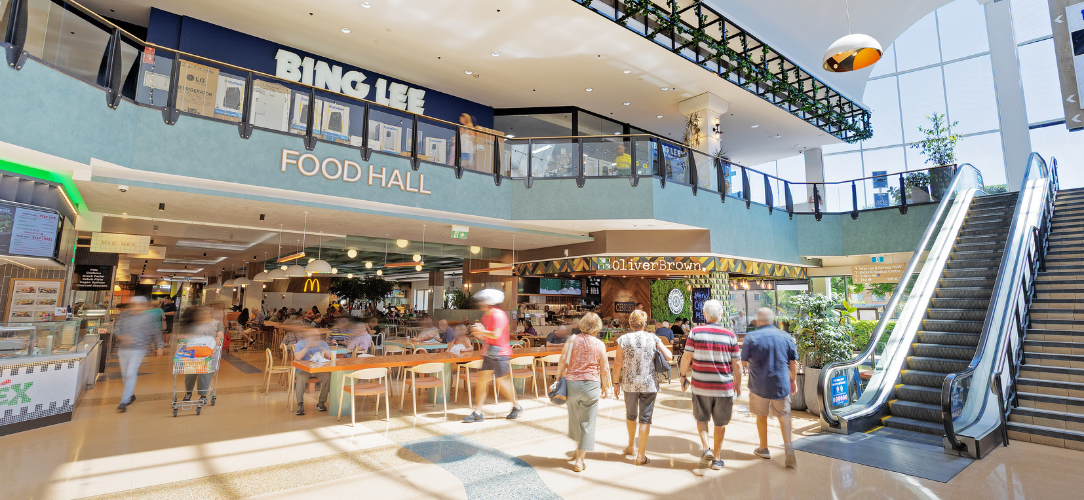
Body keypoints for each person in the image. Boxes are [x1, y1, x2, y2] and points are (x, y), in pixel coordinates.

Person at [678, 299, 742, 471]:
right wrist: (738, 384)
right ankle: (717, 459)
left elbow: (686, 357)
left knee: (702, 418)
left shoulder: (695, 332)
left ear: (704, 315)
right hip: (724, 388)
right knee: (720, 423)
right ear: (721, 315)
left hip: (700, 386)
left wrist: (683, 376)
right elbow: (737, 364)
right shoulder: (730, 335)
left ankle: (706, 448)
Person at [742, 308, 798, 469]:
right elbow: (792, 362)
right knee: (784, 415)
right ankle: (788, 446)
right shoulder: (786, 336)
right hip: (781, 383)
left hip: (758, 385)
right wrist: (793, 380)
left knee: (761, 416)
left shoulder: (751, 337)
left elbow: (744, 362)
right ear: (773, 321)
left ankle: (763, 448)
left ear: (758, 321)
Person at [614, 310, 671, 466]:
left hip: (629, 383)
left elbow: (618, 363)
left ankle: (631, 446)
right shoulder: (653, 337)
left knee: (631, 415)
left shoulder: (623, 339)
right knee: (645, 419)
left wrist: (615, 383)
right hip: (648, 383)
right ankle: (641, 455)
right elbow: (669, 356)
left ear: (630, 323)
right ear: (645, 323)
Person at [556, 312, 611, 472]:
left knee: (575, 418)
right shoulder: (599, 344)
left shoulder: (572, 340)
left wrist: (559, 377)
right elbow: (605, 368)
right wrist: (606, 387)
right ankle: (580, 460)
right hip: (592, 385)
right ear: (598, 327)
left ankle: (578, 449)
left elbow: (562, 359)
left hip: (572, 384)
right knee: (587, 422)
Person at [462, 289, 522, 423]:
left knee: (502, 381)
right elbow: (488, 335)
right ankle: (478, 412)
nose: (480, 304)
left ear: (489, 302)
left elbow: (496, 334)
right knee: (482, 380)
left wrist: (482, 331)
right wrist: (480, 334)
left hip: (500, 353)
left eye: (482, 301)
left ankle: (516, 406)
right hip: (488, 352)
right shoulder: (485, 316)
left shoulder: (498, 315)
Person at [113, 297, 163, 412]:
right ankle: (130, 394)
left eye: (139, 304)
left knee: (130, 373)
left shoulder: (149, 317)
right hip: (123, 349)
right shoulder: (124, 315)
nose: (136, 306)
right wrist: (121, 336)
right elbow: (117, 328)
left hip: (139, 348)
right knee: (125, 374)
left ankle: (124, 401)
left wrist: (159, 346)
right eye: (134, 304)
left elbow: (155, 332)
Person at [179, 307, 224, 404]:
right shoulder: (195, 324)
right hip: (193, 353)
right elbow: (188, 334)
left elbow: (220, 334)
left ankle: (203, 395)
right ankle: (188, 392)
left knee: (204, 373)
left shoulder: (216, 324)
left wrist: (218, 338)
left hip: (208, 353)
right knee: (190, 373)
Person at [293, 326, 334, 415]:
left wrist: (321, 347)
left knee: (328, 375)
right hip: (303, 370)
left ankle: (321, 402)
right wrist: (308, 346)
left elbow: (329, 356)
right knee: (301, 377)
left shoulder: (322, 343)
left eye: (318, 335)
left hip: (318, 370)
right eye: (314, 336)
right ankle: (300, 404)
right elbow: (298, 357)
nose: (316, 337)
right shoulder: (301, 343)